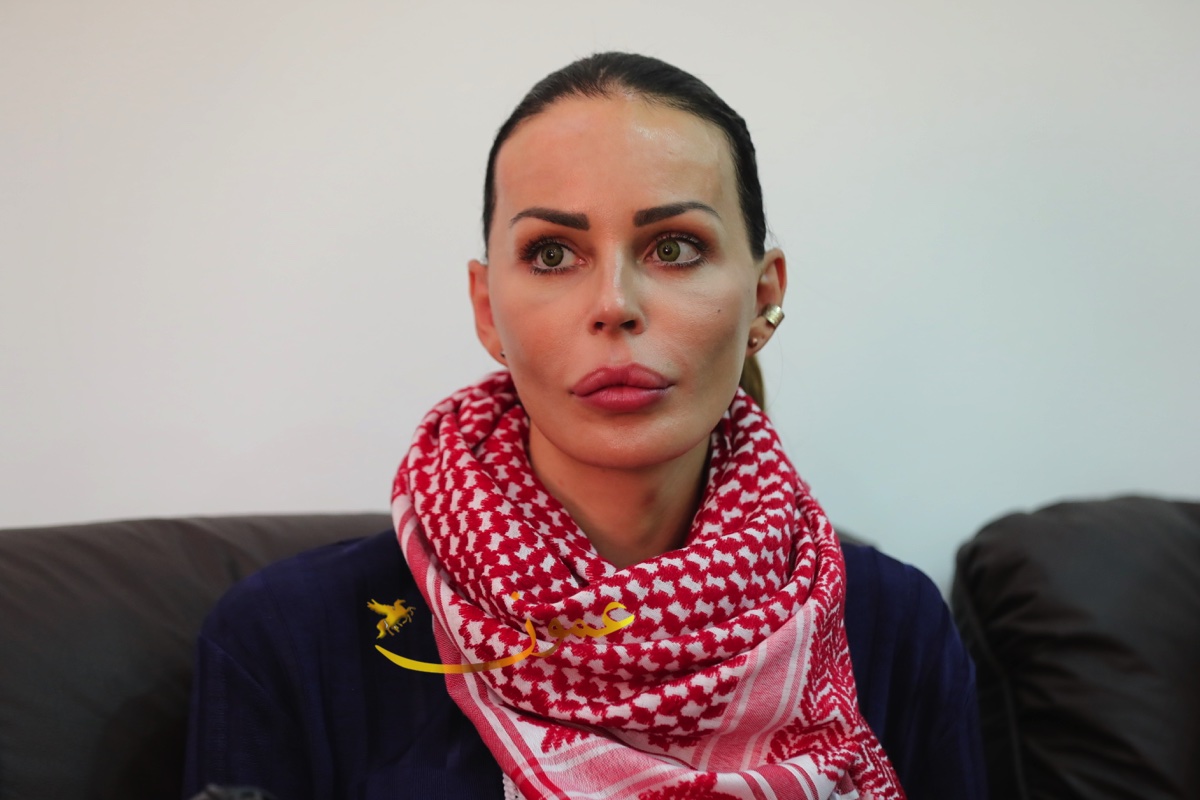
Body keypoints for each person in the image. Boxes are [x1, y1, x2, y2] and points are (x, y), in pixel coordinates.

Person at [183, 52, 984, 799]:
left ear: (763, 296)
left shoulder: (893, 627)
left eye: (675, 246)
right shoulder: (288, 640)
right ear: (486, 309)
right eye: (552, 255)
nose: (614, 304)